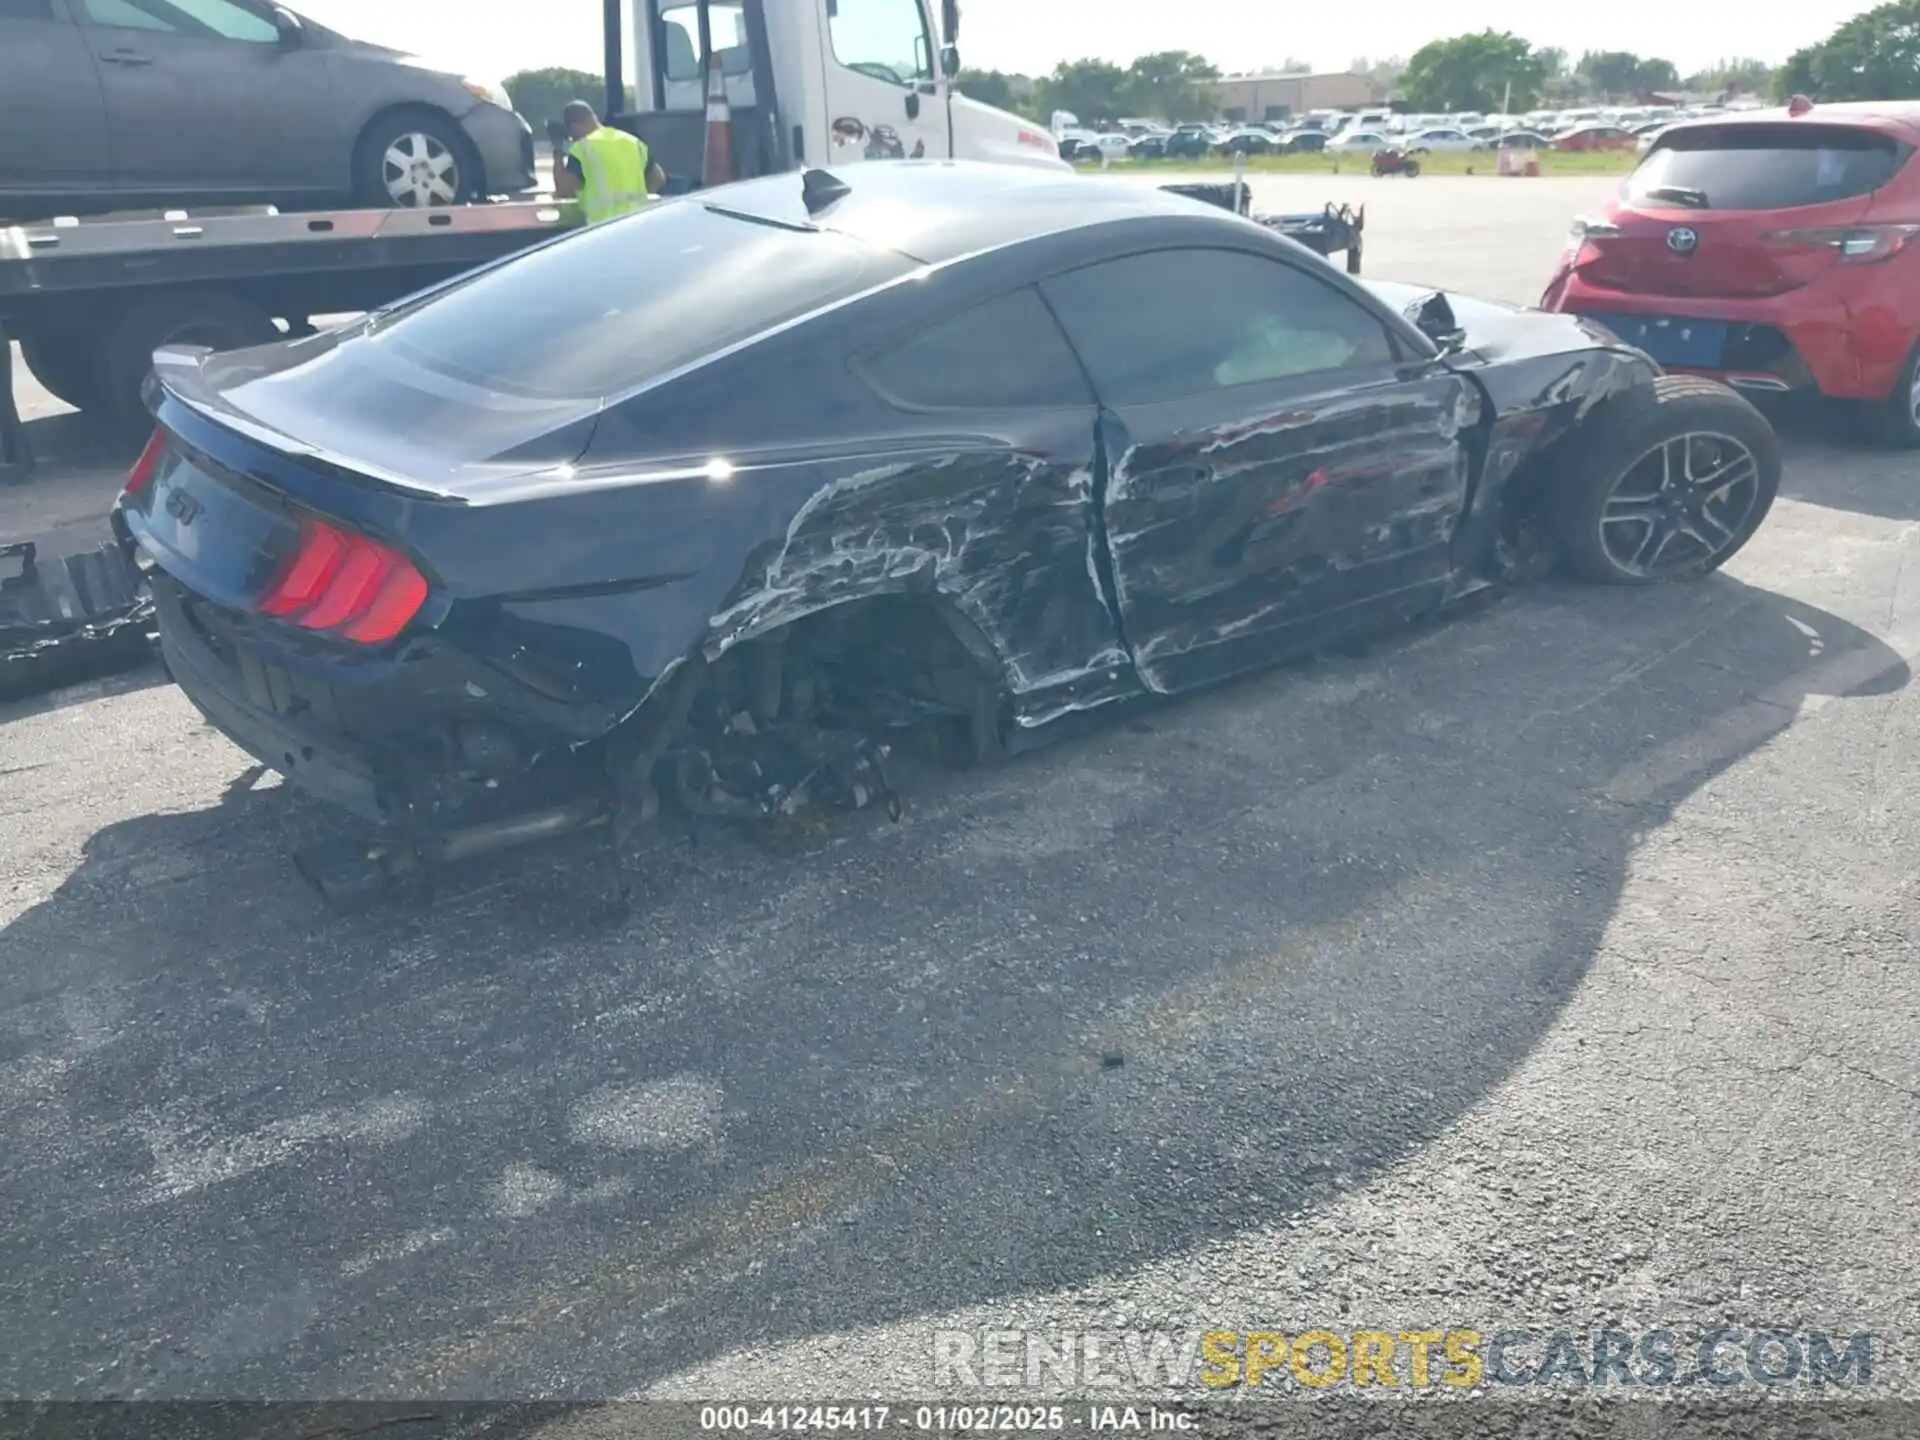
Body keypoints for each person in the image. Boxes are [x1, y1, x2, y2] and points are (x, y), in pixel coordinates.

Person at [552, 101, 665, 225]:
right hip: (637, 222)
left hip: (603, 226)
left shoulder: (582, 149)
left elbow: (563, 191)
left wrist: (558, 153)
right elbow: (658, 178)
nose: (572, 138)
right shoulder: (632, 142)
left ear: (574, 125)